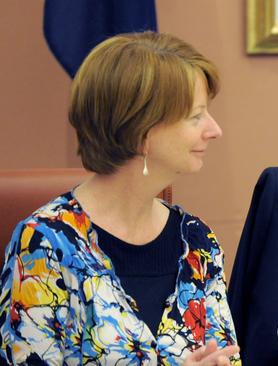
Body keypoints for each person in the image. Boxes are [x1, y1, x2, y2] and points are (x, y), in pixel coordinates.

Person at [0, 32, 241, 365]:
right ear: (141, 132)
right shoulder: (45, 245)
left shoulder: (198, 242)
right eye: (195, 116)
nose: (214, 130)